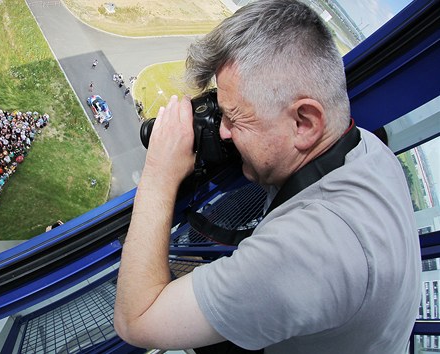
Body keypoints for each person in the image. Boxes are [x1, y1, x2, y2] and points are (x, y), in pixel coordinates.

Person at [113, 1, 421, 353]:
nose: (223, 132)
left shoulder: (309, 252)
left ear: (304, 123)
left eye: (234, 117)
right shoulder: (368, 149)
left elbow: (136, 320)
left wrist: (160, 172)